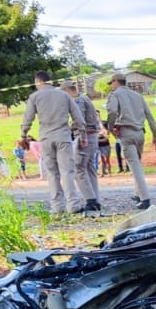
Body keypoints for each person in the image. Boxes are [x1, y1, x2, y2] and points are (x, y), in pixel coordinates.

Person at [20, 70, 86, 214]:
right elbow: (77, 116)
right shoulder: (64, 95)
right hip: (63, 136)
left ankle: (57, 206)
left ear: (38, 82)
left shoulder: (34, 97)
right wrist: (83, 134)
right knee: (67, 171)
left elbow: (28, 118)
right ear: (49, 81)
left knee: (52, 172)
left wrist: (23, 134)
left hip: (46, 137)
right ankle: (73, 204)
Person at [106, 72, 156, 210]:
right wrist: (155, 135)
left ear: (115, 81)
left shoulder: (115, 95)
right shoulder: (138, 95)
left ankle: (145, 198)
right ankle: (137, 193)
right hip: (140, 132)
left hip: (126, 132)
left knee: (135, 167)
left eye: (111, 83)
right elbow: (150, 117)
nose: (111, 86)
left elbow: (112, 112)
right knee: (137, 164)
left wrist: (110, 128)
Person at [63, 80, 102, 213]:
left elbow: (79, 120)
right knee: (90, 169)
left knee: (79, 168)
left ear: (67, 90)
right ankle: (96, 199)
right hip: (93, 136)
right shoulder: (85, 97)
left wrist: (78, 134)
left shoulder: (78, 101)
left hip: (84, 135)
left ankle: (90, 200)